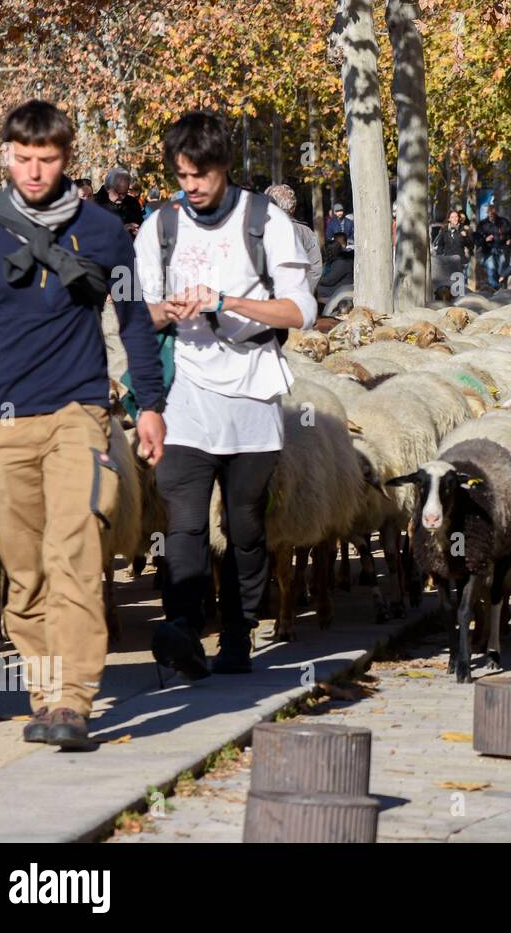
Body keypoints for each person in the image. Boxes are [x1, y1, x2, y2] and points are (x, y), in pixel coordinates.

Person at [0, 101, 167, 749]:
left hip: (80, 412)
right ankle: (45, 691)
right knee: (25, 570)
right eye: (21, 159)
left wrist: (151, 404)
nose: (32, 171)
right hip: (2, 420)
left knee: (72, 553)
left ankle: (74, 698)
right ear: (8, 155)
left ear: (67, 158)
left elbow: (133, 321)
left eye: (46, 159)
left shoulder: (106, 232)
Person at [135, 110, 316, 679]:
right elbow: (139, 313)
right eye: (182, 175)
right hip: (186, 395)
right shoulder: (159, 227)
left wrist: (226, 301)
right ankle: (184, 627)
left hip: (254, 395)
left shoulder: (265, 222)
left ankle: (238, 635)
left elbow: (301, 311)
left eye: (201, 175)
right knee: (183, 521)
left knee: (244, 524)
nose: (191, 187)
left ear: (224, 168)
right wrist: (166, 310)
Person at [266, 183, 323, 292]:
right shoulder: (306, 233)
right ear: (293, 207)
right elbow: (316, 269)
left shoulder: (260, 229)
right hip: (297, 300)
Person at [94, 166, 143, 236]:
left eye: (125, 193)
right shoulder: (95, 204)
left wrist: (138, 231)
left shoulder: (133, 203)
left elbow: (140, 225)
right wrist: (122, 230)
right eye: (119, 193)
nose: (122, 197)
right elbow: (93, 234)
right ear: (108, 188)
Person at [476, 203, 511, 289]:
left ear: (496, 212)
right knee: (491, 268)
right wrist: (485, 239)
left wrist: (509, 239)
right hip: (488, 249)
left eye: (493, 212)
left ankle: (502, 287)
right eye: (489, 212)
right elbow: (478, 237)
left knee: (501, 269)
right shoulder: (482, 224)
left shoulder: (503, 222)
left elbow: (510, 233)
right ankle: (494, 288)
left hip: (502, 248)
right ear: (487, 213)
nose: (491, 214)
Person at [433, 209, 473, 288]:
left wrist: (465, 237)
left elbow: (471, 245)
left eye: (456, 216)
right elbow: (440, 245)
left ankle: (461, 299)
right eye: (452, 217)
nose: (455, 218)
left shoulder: (464, 229)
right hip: (448, 261)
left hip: (461, 261)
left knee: (460, 287)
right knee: (449, 285)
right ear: (449, 219)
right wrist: (440, 257)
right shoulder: (444, 230)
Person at [317, 231, 354, 307]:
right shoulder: (335, 261)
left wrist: (317, 278)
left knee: (317, 290)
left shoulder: (341, 263)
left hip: (341, 289)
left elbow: (329, 280)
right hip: (337, 286)